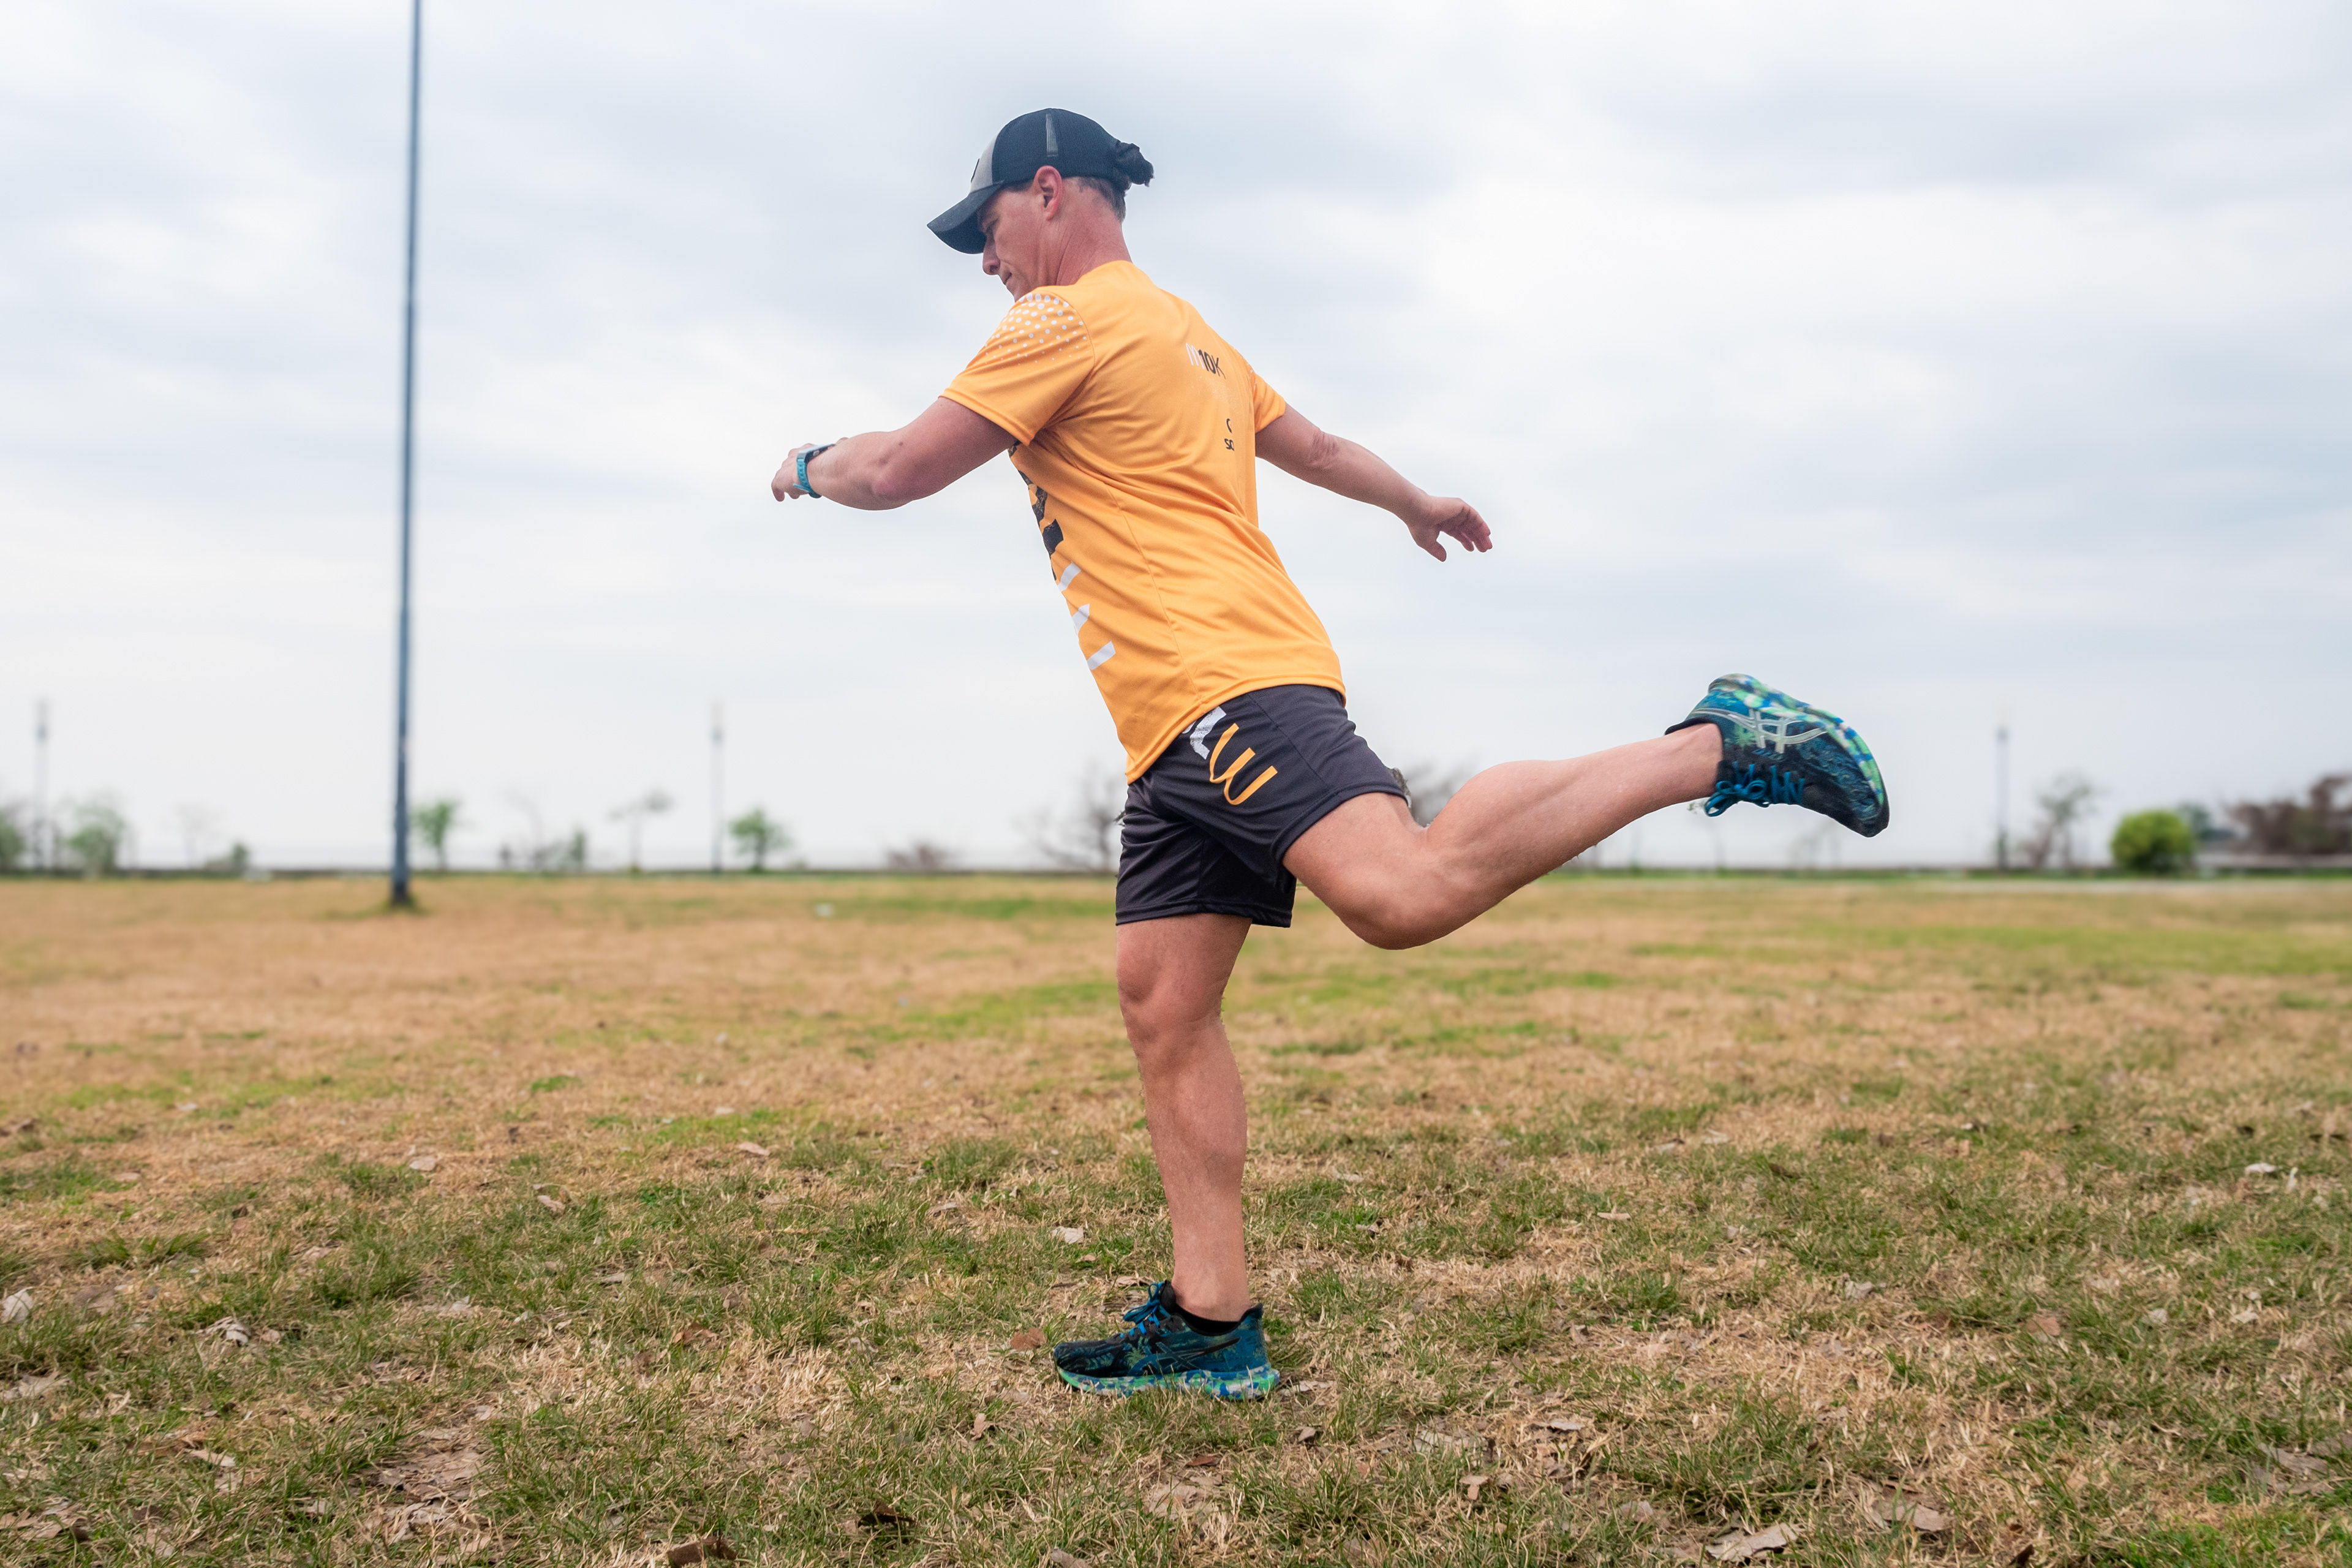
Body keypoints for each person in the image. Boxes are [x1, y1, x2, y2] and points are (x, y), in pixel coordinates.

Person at [771, 108, 1890, 1400]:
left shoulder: (1060, 322)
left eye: (989, 226)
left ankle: (1716, 742)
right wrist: (1413, 497)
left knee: (1402, 891)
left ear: (1053, 190)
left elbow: (899, 469)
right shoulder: (1187, 334)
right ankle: (1212, 1321)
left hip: (1224, 686)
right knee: (1164, 1004)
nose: (984, 258)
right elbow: (1315, 448)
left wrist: (807, 462)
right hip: (1178, 724)